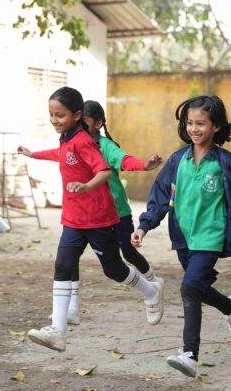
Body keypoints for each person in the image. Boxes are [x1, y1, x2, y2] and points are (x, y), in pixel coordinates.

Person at [132, 95, 231, 378]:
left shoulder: (223, 162)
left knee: (189, 287)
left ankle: (190, 355)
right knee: (197, 287)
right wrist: (144, 226)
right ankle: (228, 305)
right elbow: (158, 197)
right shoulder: (177, 160)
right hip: (184, 238)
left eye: (201, 123)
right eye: (190, 123)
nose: (194, 128)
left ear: (215, 127)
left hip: (211, 237)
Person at [17, 86, 164, 353]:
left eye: (59, 115)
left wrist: (86, 187)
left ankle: (150, 291)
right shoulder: (66, 139)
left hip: (98, 219)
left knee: (114, 269)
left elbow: (106, 171)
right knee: (63, 265)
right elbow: (60, 155)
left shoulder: (86, 141)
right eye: (51, 115)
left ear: (77, 115)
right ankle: (58, 331)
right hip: (73, 219)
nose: (54, 120)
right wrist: (32, 154)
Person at [53, 99, 163, 325]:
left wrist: (144, 164)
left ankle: (153, 284)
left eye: (85, 121)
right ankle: (71, 309)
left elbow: (125, 160)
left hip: (115, 214)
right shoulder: (71, 142)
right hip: (83, 216)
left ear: (98, 123)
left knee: (127, 254)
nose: (80, 125)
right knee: (68, 259)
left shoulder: (104, 146)